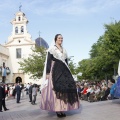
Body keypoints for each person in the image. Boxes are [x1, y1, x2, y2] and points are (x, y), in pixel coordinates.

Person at [40, 34, 80, 118]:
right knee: (56, 90)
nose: (60, 39)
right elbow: (48, 61)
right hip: (55, 70)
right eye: (59, 38)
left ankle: (62, 108)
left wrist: (69, 72)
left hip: (64, 70)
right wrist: (47, 73)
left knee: (65, 89)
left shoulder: (64, 50)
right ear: (55, 39)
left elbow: (66, 62)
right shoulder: (52, 49)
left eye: (61, 38)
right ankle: (58, 110)